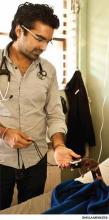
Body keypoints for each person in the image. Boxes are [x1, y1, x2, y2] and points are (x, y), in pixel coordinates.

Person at [0, 2, 80, 210]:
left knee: (33, 208)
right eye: (39, 38)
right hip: (0, 158)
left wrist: (59, 146)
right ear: (19, 30)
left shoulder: (49, 70)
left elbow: (55, 113)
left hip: (35, 159)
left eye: (48, 41)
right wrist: (4, 133)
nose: (44, 47)